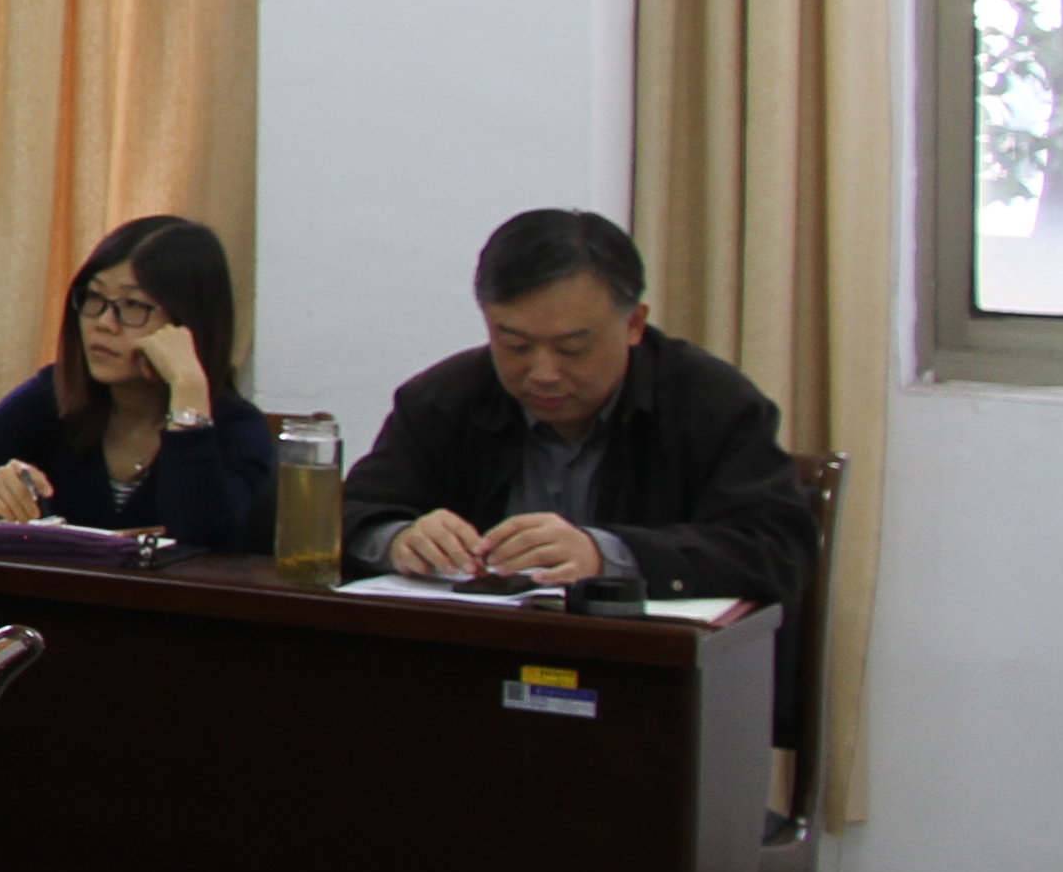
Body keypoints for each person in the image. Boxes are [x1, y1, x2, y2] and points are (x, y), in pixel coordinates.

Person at [341, 209, 809, 601]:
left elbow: (778, 549)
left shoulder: (712, 404)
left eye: (572, 348)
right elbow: (344, 513)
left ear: (634, 324)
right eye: (515, 344)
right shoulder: (443, 399)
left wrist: (608, 555)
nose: (543, 372)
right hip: (473, 662)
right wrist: (395, 538)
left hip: (640, 667)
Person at [0, 216, 277, 545]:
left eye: (133, 305)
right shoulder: (53, 395)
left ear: (187, 325)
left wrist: (188, 389)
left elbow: (201, 536)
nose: (103, 323)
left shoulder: (238, 429)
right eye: (94, 298)